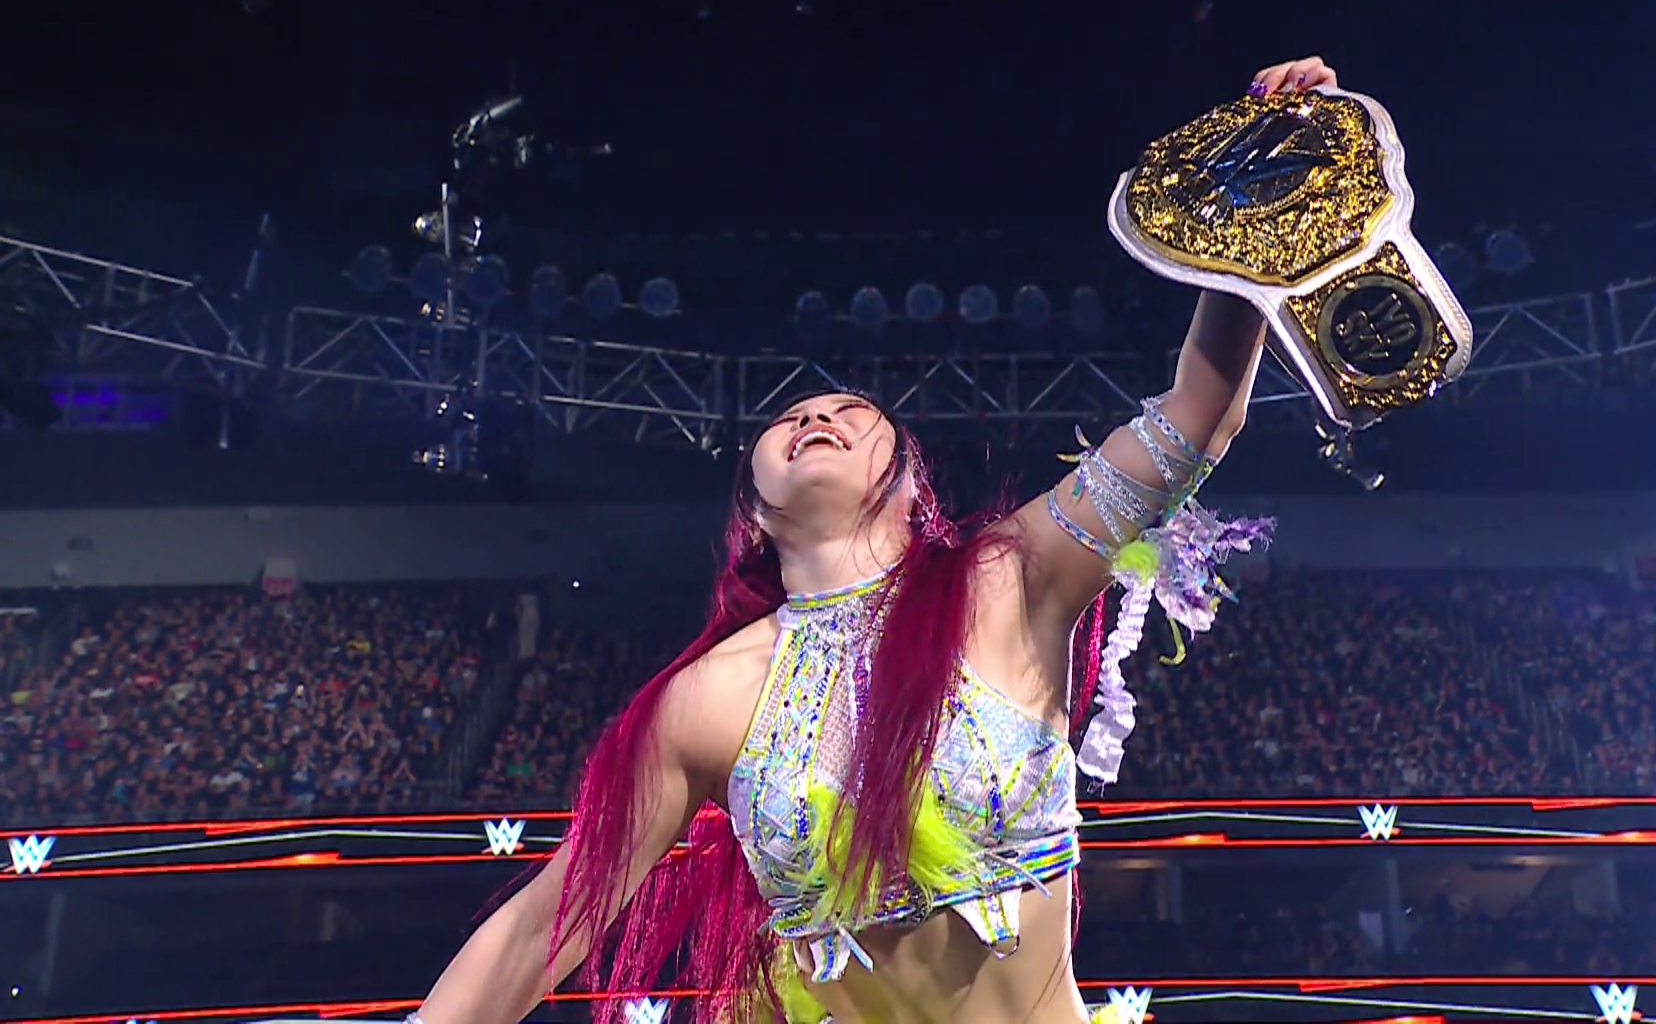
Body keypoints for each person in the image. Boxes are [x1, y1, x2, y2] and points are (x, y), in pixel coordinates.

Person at [414, 55, 1338, 1024]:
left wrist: (1256, 200)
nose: (817, 417)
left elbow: (1196, 415)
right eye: (790, 419)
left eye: (849, 412)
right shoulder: (703, 702)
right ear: (753, 511)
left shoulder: (1008, 579)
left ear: (909, 485)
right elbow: (540, 927)